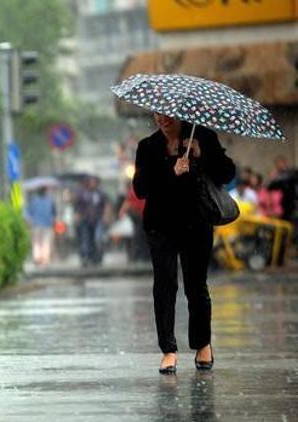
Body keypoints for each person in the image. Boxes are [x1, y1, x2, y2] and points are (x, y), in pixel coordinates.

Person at [133, 112, 235, 374]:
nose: (162, 119)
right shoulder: (148, 146)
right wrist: (171, 170)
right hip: (160, 226)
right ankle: (168, 350)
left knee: (196, 285)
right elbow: (140, 188)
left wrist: (202, 154)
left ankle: (203, 344)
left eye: (168, 115)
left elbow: (227, 173)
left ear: (180, 114)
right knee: (164, 285)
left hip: (196, 223)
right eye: (157, 114)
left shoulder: (201, 137)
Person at [74, 176, 108, 266]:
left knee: (98, 238)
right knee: (86, 239)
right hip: (85, 219)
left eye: (94, 183)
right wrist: (77, 215)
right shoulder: (82, 193)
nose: (91, 185)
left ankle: (98, 256)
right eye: (90, 183)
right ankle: (86, 257)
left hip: (98, 219)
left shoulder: (101, 194)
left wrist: (106, 215)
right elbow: (77, 206)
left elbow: (107, 205)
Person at [25, 187, 57, 266]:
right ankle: (45, 259)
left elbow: (27, 212)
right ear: (45, 192)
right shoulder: (50, 201)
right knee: (46, 242)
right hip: (47, 224)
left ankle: (37, 258)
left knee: (36, 243)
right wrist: (53, 220)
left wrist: (29, 220)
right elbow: (54, 213)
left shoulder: (33, 201)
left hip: (36, 224)